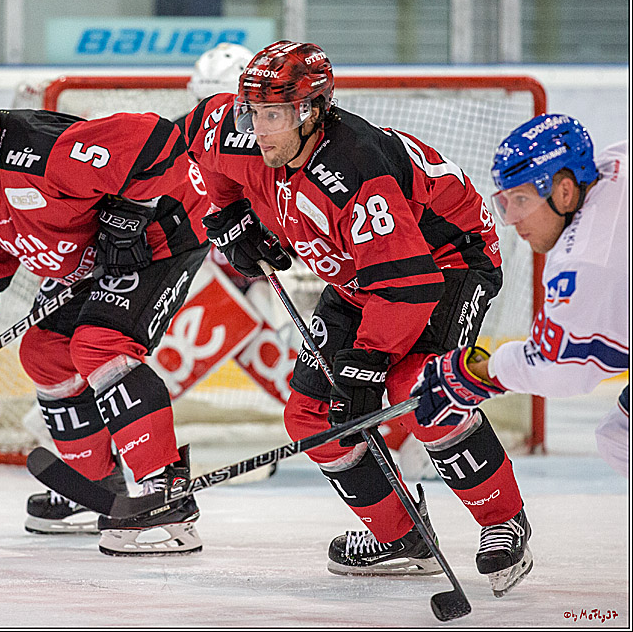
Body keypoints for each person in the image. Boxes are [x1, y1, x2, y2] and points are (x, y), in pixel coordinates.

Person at [184, 40, 532, 597]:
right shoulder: (240, 132)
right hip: (362, 272)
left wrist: (367, 363)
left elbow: (406, 285)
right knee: (310, 415)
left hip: (445, 262)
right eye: (253, 112)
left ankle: (503, 520)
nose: (259, 129)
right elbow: (201, 148)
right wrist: (227, 216)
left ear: (312, 110)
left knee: (421, 389)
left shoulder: (356, 171)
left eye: (273, 115)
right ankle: (404, 538)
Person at [0, 54, 212, 556]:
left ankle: (165, 498)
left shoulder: (46, 150)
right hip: (93, 261)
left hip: (163, 236)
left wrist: (131, 212)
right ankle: (93, 487)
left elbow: (159, 142)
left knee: (101, 345)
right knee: (44, 352)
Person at [412, 116, 628, 479]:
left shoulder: (583, 261)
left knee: (621, 439)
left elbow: (561, 370)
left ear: (564, 192)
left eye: (522, 200)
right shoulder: (615, 161)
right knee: (620, 433)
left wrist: (470, 374)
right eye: (506, 201)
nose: (511, 218)